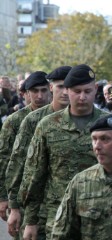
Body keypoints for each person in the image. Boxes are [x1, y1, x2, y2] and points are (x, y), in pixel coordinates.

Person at [21, 64, 109, 239]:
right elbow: (34, 175)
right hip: (59, 216)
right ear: (67, 90)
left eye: (87, 91)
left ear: (95, 89)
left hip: (101, 214)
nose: (82, 97)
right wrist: (30, 221)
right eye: (77, 91)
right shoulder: (47, 125)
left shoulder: (110, 124)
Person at [5, 66, 71, 239]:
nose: (40, 96)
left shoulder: (90, 121)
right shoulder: (29, 121)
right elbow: (12, 162)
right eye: (35, 91)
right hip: (38, 205)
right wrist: (10, 203)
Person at [0, 71, 50, 223]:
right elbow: (4, 159)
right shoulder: (15, 121)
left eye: (43, 90)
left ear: (50, 90)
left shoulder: (57, 116)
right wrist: (3, 197)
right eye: (35, 91)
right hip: (24, 196)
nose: (39, 96)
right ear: (26, 94)